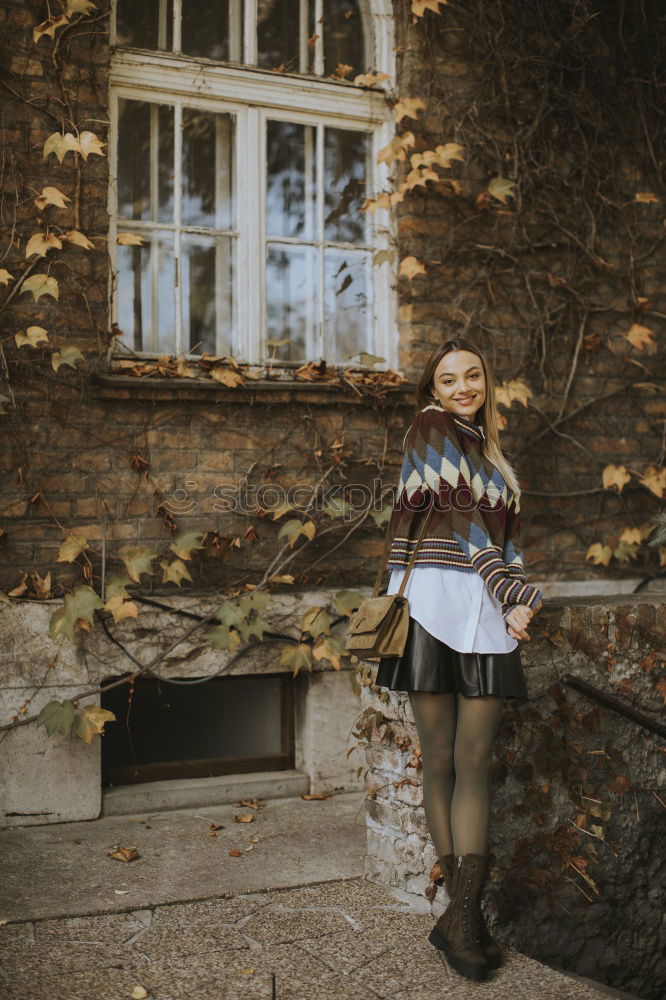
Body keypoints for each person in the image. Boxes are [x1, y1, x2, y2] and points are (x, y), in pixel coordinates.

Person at [374, 337, 543, 982]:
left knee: (476, 762)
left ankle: (460, 917)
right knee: (440, 760)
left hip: (488, 610)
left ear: (486, 382)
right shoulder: (430, 429)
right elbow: (466, 522)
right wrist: (514, 590)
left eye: (473, 375)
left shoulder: (496, 456)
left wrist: (515, 601)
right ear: (433, 390)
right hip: (434, 606)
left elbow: (508, 541)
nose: (463, 386)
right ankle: (465, 918)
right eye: (449, 379)